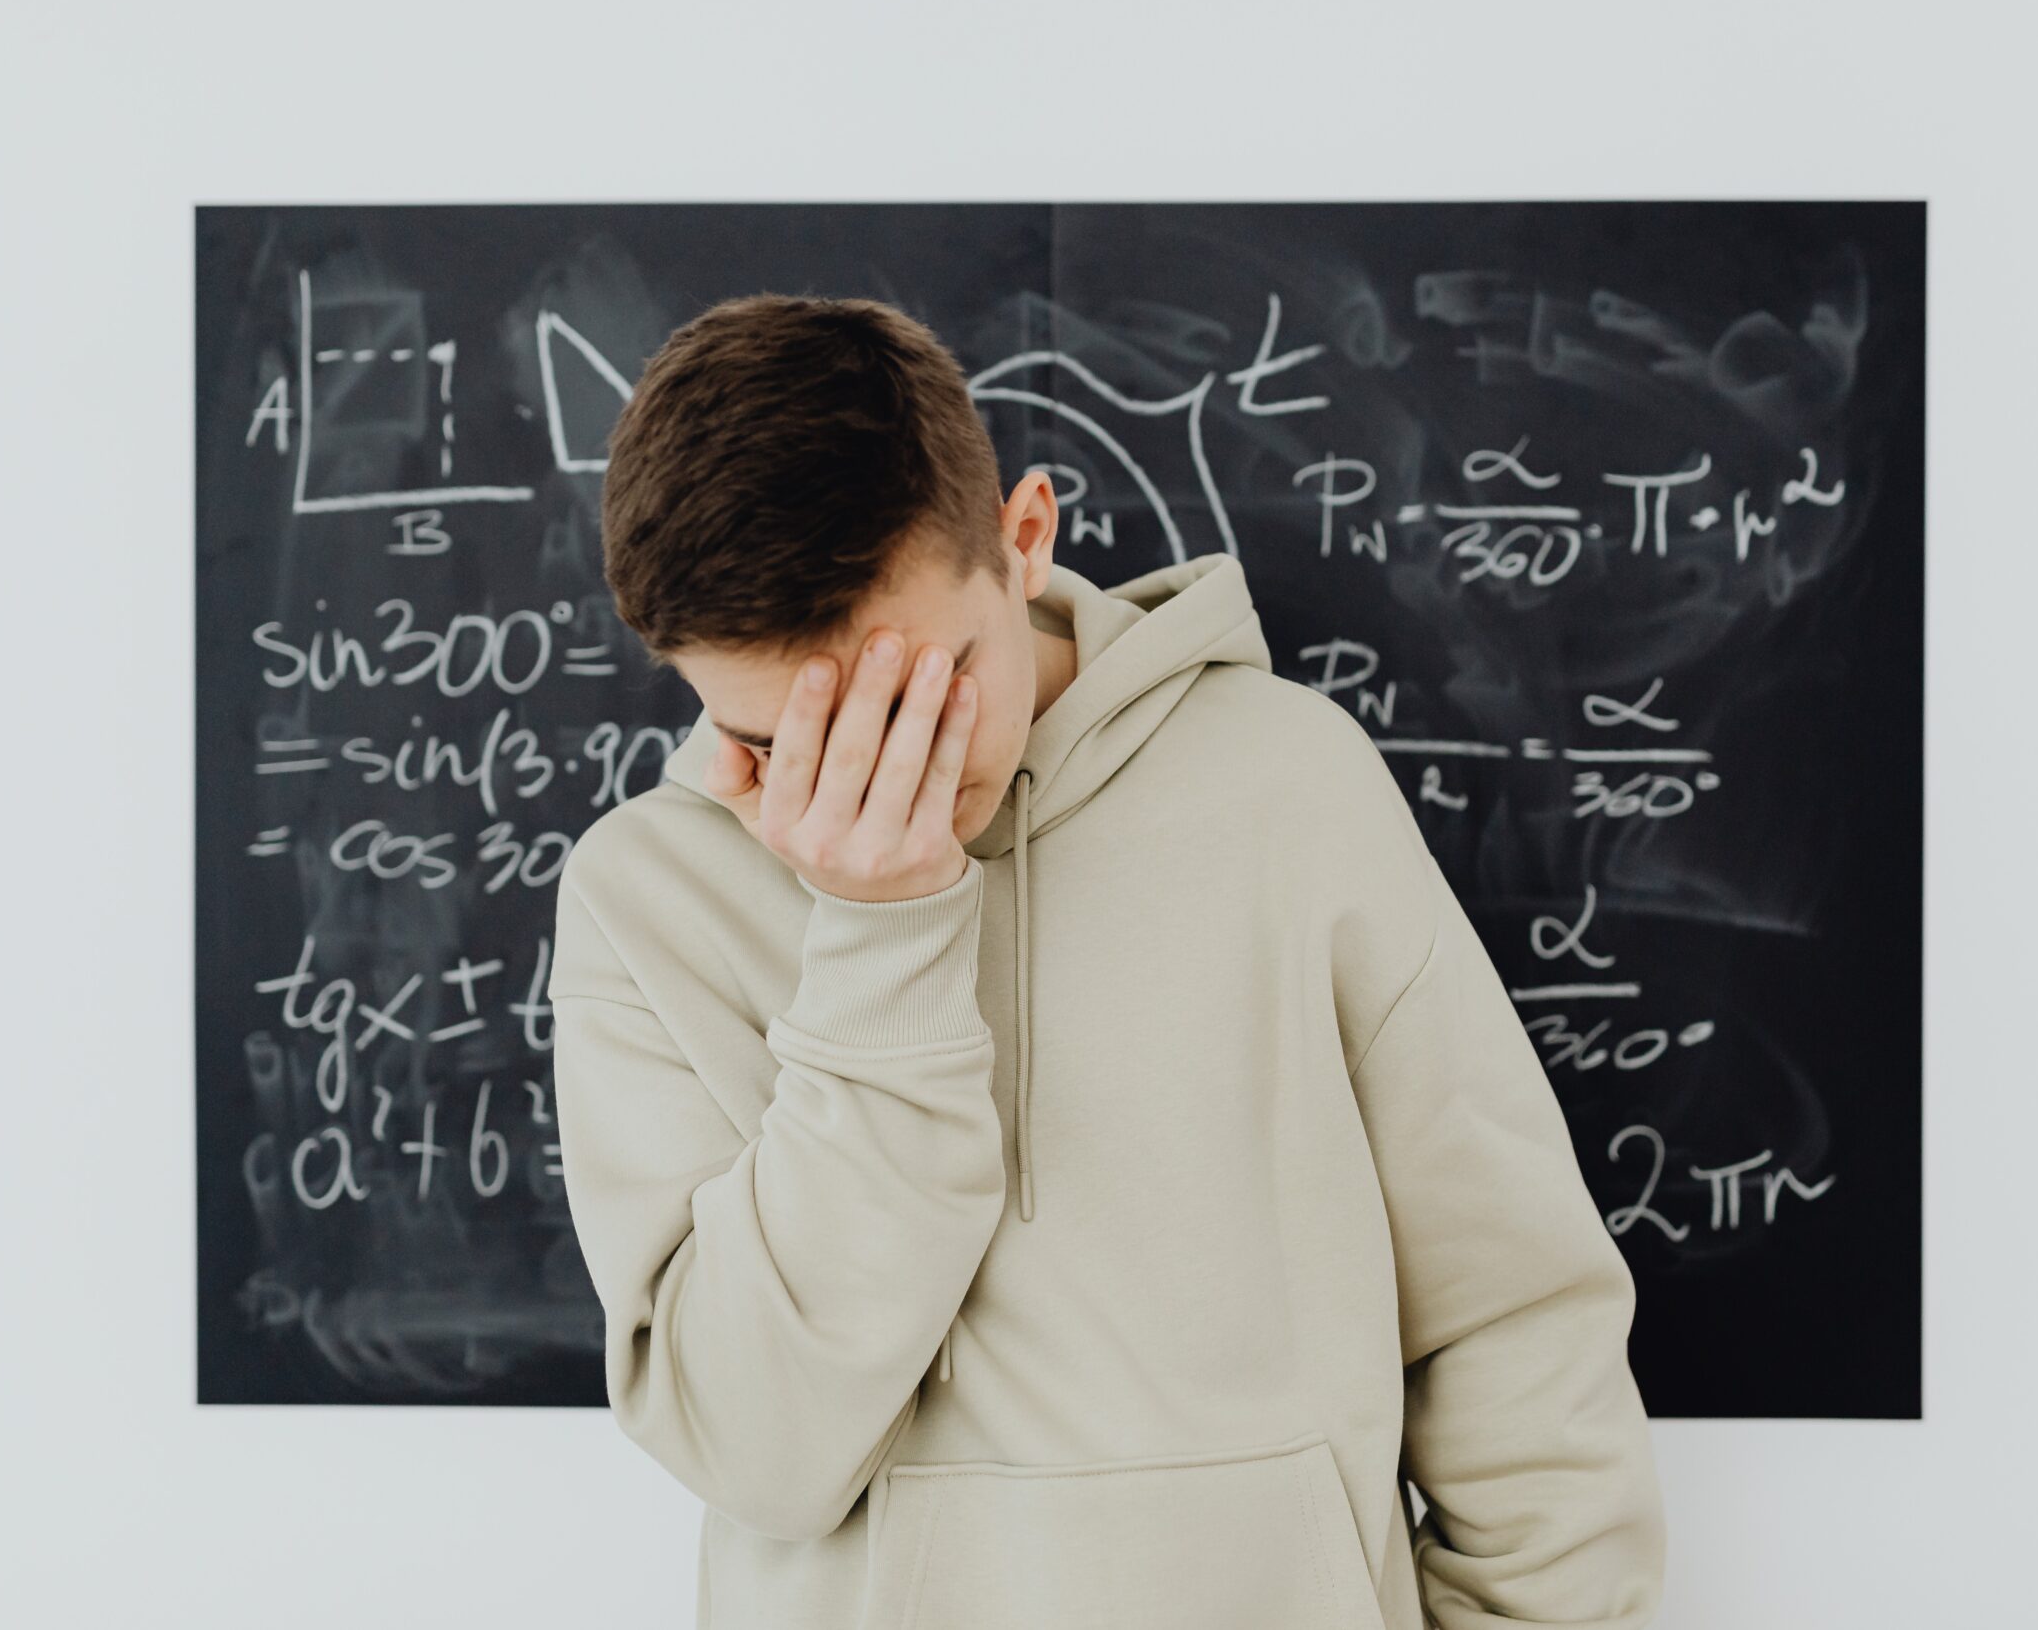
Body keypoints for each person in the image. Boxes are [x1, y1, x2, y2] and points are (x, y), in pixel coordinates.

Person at [547, 292, 1667, 1628]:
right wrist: (880, 934)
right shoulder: (646, 898)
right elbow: (757, 1452)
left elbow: (1513, 1317)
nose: (870, 778)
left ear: (1024, 542)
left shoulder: (1287, 783)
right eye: (788, 737)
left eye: (913, 699)